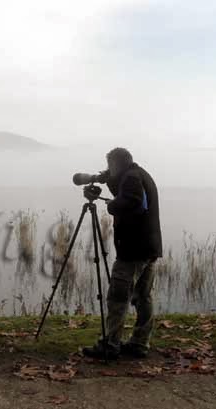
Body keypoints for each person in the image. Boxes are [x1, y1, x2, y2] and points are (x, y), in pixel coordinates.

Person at [82, 147, 162, 359]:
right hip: (149, 248)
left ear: (116, 164)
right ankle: (139, 343)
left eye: (110, 166)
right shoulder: (139, 174)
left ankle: (110, 345)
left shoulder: (132, 179)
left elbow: (132, 201)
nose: (108, 170)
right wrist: (109, 182)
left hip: (132, 250)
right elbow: (131, 198)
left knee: (118, 297)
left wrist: (111, 206)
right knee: (143, 297)